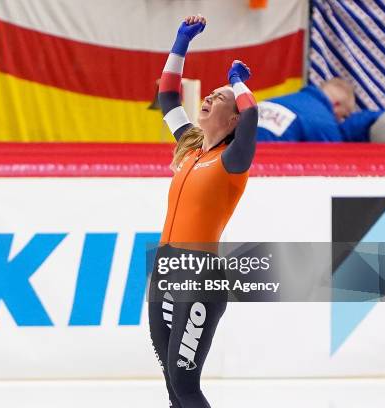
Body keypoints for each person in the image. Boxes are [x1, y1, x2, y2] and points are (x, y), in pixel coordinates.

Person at [148, 14, 258, 408]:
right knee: (171, 382)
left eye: (221, 97)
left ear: (233, 119)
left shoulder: (233, 160)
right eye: (210, 94)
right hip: (165, 268)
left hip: (199, 276)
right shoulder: (191, 147)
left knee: (186, 383)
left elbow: (253, 118)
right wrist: (180, 44)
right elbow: (167, 96)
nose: (210, 97)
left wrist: (239, 84)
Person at [256, 78, 385, 142]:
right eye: (343, 116)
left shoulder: (276, 101)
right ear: (336, 104)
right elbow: (334, 166)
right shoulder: (323, 121)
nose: (340, 121)